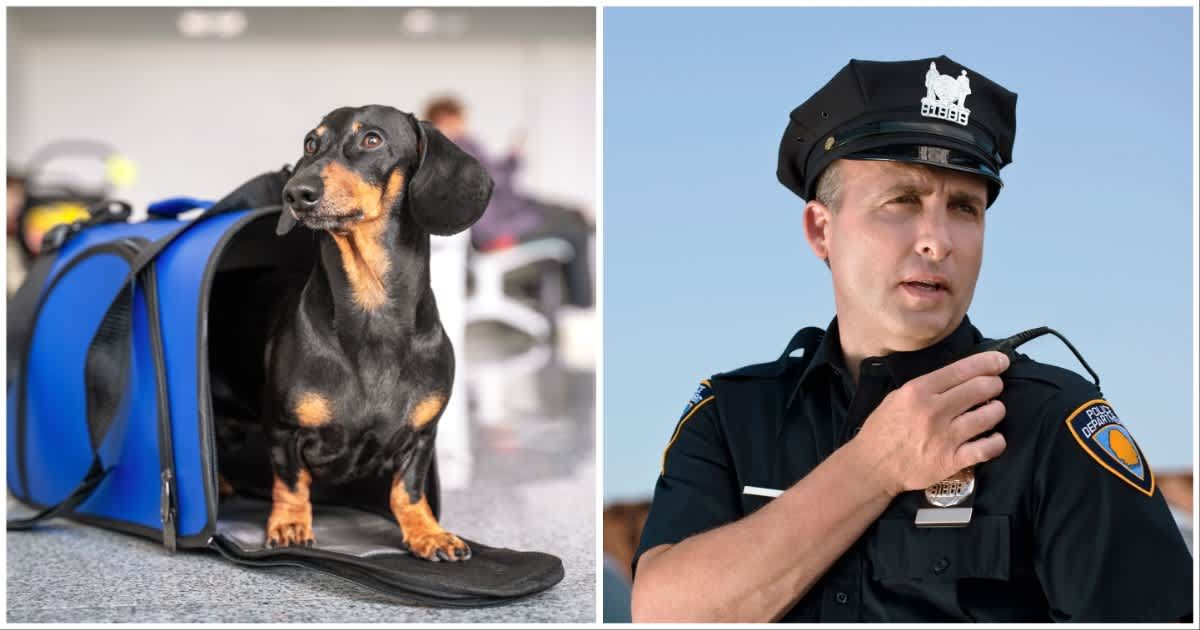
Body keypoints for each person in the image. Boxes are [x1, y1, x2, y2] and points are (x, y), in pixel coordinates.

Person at [630, 56, 1193, 623]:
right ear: (821, 229)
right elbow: (662, 613)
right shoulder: (733, 416)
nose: (937, 241)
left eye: (964, 208)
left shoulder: (1052, 422)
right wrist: (873, 467)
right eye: (902, 201)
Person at [423, 97, 594, 309]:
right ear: (445, 119)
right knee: (577, 231)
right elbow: (495, 180)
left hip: (505, 217)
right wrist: (513, 157)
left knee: (576, 221)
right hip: (495, 231)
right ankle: (580, 308)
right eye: (457, 119)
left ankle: (573, 303)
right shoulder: (457, 149)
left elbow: (502, 186)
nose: (462, 125)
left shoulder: (453, 149)